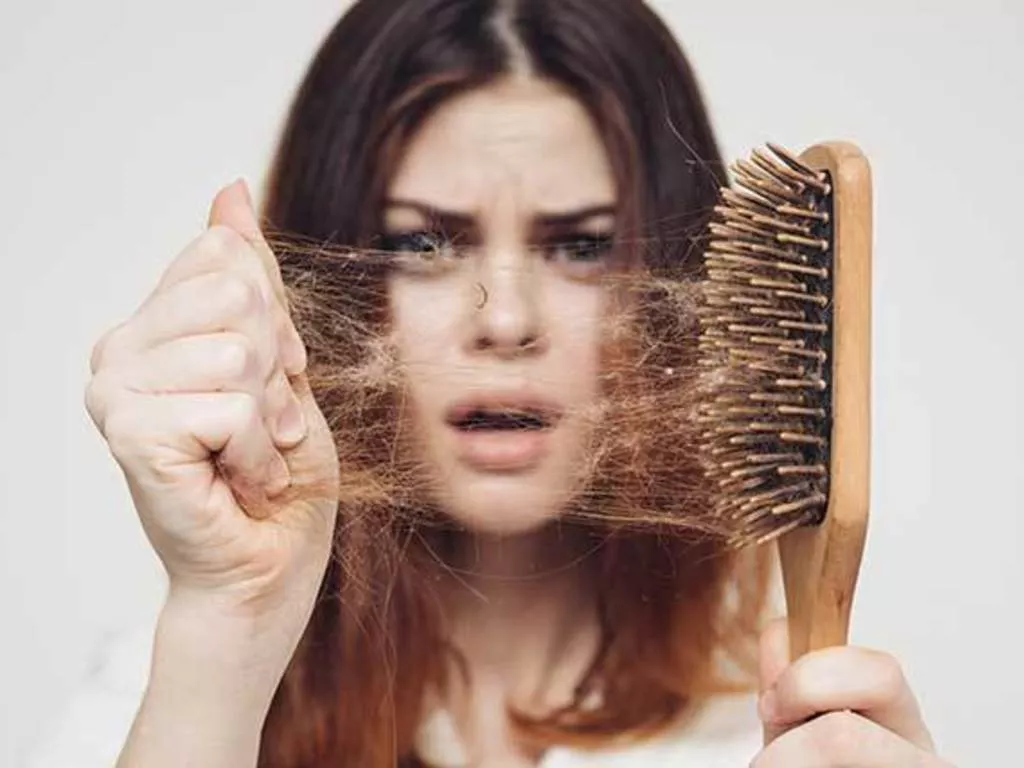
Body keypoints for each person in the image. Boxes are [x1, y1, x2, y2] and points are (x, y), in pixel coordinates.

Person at [41, 0, 951, 766]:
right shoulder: (172, 704)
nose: (507, 319)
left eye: (583, 245)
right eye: (423, 243)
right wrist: (228, 630)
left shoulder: (779, 739)